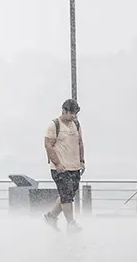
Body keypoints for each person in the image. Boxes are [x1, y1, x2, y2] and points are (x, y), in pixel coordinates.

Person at [43, 99, 84, 233]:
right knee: (66, 195)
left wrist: (82, 161)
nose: (73, 117)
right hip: (60, 168)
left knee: (68, 195)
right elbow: (48, 145)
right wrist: (58, 163)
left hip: (75, 166)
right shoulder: (54, 125)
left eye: (75, 114)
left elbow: (80, 143)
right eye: (71, 114)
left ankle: (51, 216)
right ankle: (71, 223)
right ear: (64, 111)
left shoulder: (76, 124)